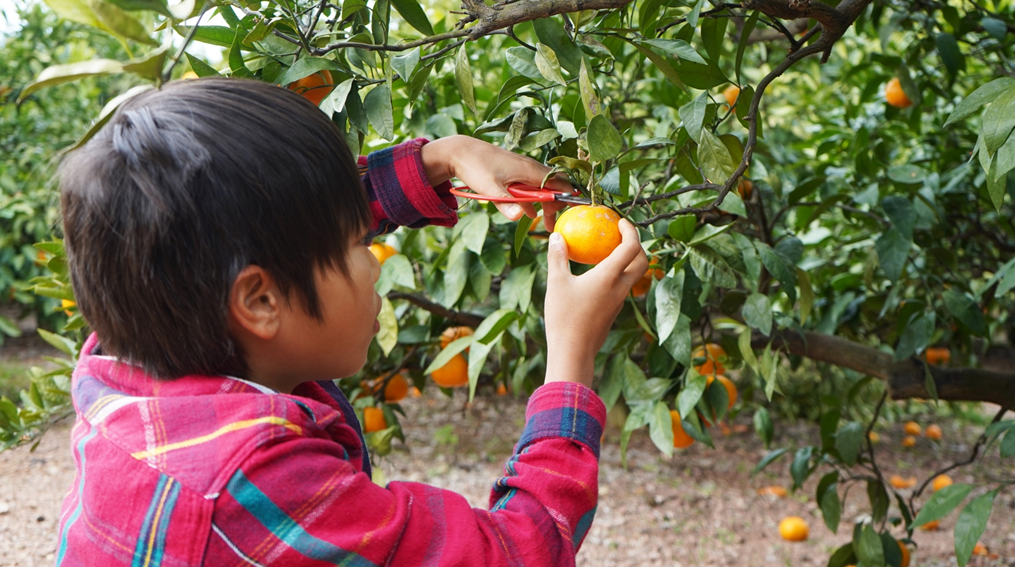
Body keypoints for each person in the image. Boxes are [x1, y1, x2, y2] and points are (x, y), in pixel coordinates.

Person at [53, 77, 648, 566]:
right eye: (356, 244)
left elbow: (277, 222)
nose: (372, 262)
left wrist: (444, 158)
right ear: (259, 302)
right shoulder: (258, 485)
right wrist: (571, 358)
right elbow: (518, 554)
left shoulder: (136, 343)